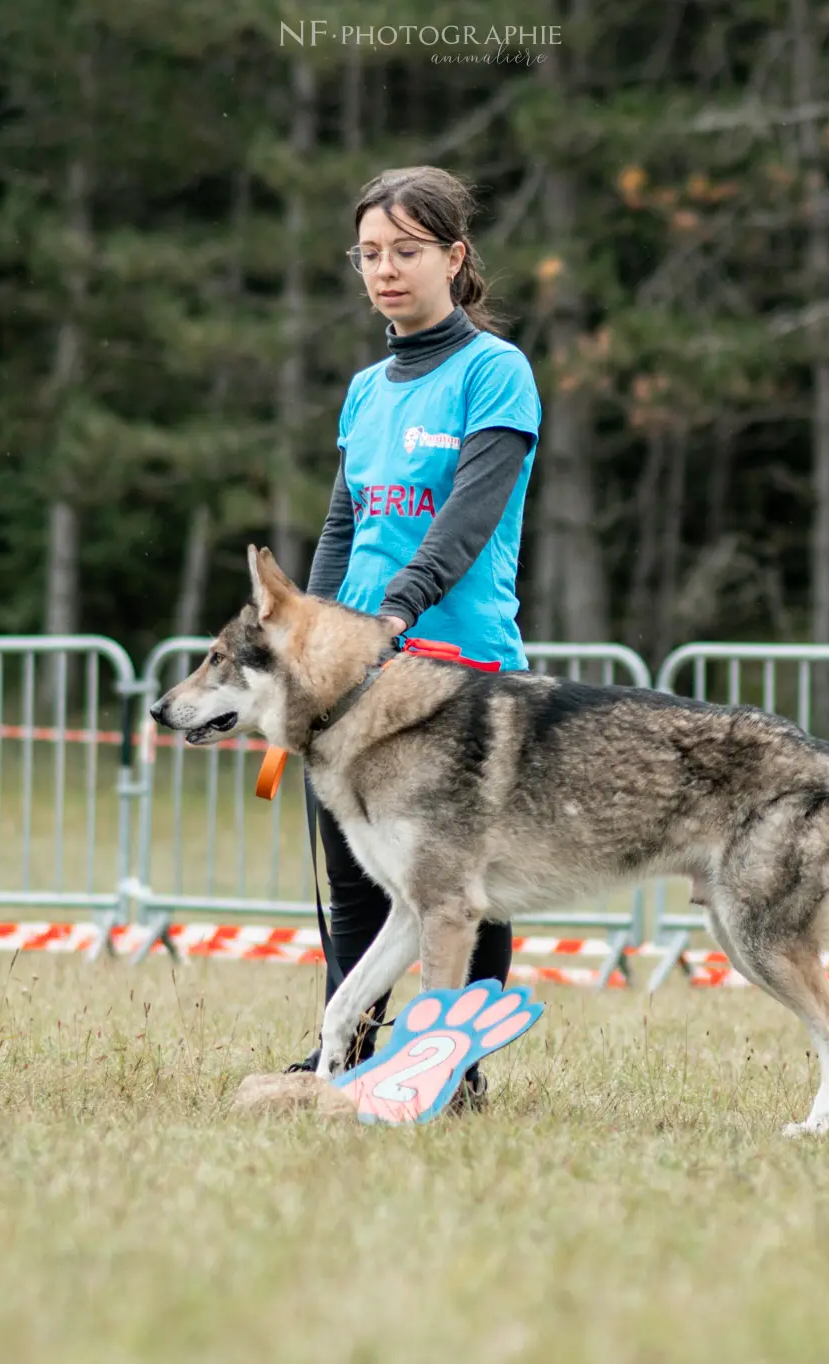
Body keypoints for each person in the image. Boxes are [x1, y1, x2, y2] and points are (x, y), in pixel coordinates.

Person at [289, 165, 544, 1112]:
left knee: (456, 883)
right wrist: (309, 647)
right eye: (369, 254)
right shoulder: (364, 390)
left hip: (457, 670)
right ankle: (345, 1057)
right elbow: (342, 528)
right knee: (360, 878)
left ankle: (455, 1067)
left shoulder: (494, 373)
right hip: (355, 678)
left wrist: (394, 615)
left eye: (406, 250)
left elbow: (466, 521)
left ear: (454, 256)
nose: (386, 270)